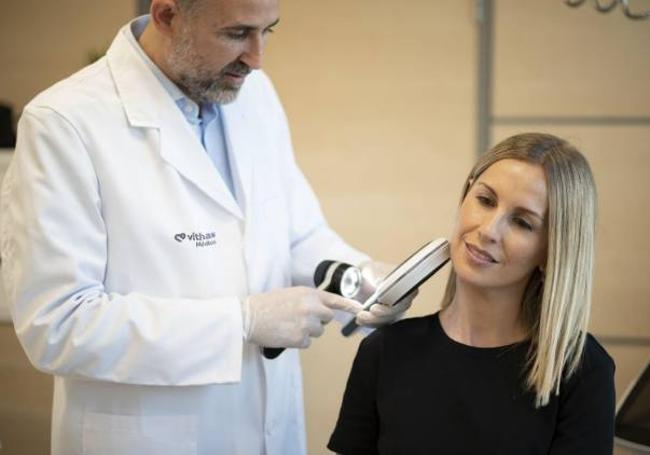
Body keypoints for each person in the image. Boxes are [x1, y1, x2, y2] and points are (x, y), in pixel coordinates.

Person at [0, 1, 412, 454]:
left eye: (267, 31)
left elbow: (295, 232)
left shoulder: (255, 94)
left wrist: (361, 279)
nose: (256, 58)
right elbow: (58, 325)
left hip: (269, 427)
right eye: (237, 34)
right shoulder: (65, 123)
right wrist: (241, 322)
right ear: (167, 16)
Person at [328, 132, 616, 454]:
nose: (489, 230)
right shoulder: (384, 352)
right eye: (485, 200)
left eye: (522, 222)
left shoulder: (581, 370)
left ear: (552, 251)